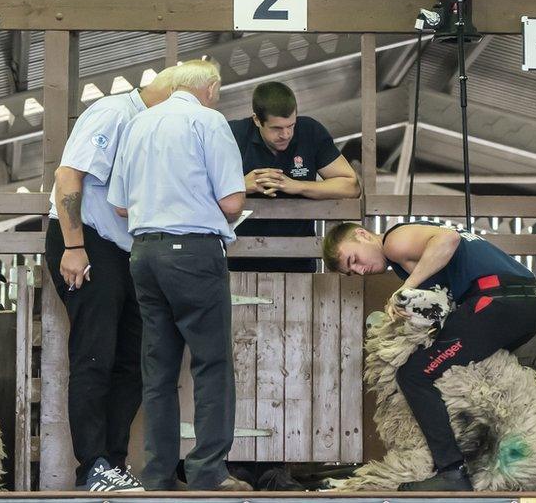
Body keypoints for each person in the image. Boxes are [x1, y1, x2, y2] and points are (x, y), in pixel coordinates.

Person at [108, 59, 251, 491]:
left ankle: (157, 474)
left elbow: (118, 205)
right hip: (192, 252)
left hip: (145, 253)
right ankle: (208, 471)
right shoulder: (208, 121)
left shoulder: (139, 124)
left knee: (159, 369)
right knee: (211, 364)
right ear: (209, 88)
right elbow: (231, 202)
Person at [322, 220, 536, 491]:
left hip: (497, 302)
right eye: (352, 271)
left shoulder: (393, 242)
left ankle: (451, 471)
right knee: (458, 369)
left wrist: (406, 289)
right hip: (525, 303)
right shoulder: (410, 252)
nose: (360, 270)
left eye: (354, 259)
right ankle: (474, 456)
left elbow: (448, 240)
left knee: (414, 374)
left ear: (361, 234)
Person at [44, 66, 177, 492]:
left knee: (134, 361)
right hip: (88, 240)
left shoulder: (153, 127)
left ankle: (112, 462)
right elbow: (68, 176)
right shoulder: (113, 112)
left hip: (127, 250)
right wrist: (73, 246)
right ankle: (92, 466)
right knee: (94, 353)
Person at [228, 81, 360, 273]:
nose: (286, 134)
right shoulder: (233, 135)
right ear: (256, 120)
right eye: (277, 128)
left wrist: (297, 186)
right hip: (239, 259)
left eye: (291, 125)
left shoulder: (310, 131)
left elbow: (351, 186)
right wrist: (239, 185)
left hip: (300, 260)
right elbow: (199, 188)